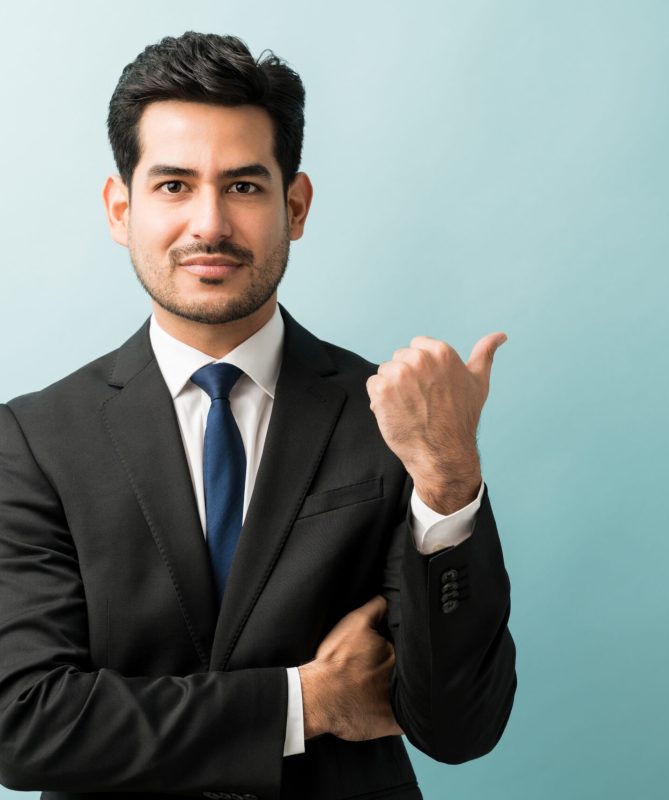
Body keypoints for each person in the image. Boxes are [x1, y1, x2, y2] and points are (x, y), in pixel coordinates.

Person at [0, 32, 516, 800]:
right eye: (174, 185)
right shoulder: (33, 440)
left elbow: (459, 729)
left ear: (295, 205)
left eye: (243, 186)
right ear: (121, 208)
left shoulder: (392, 415)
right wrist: (304, 703)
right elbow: (23, 724)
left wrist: (448, 479)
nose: (209, 224)